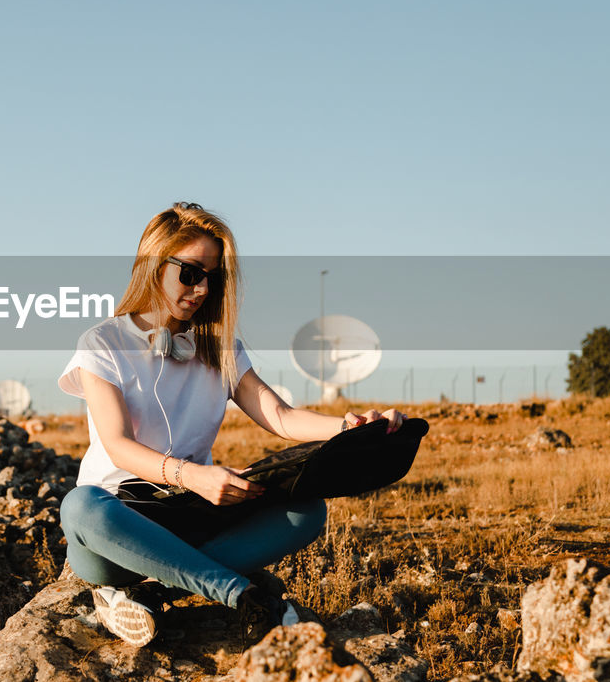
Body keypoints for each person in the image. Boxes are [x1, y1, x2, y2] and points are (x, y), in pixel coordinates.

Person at [58, 202, 407, 647]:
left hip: (188, 512)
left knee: (307, 511)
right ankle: (239, 592)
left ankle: (157, 593)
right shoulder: (102, 342)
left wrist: (352, 427)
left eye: (212, 276)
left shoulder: (219, 348)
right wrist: (196, 476)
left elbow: (279, 416)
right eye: (189, 272)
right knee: (79, 505)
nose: (202, 288)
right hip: (119, 521)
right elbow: (117, 444)